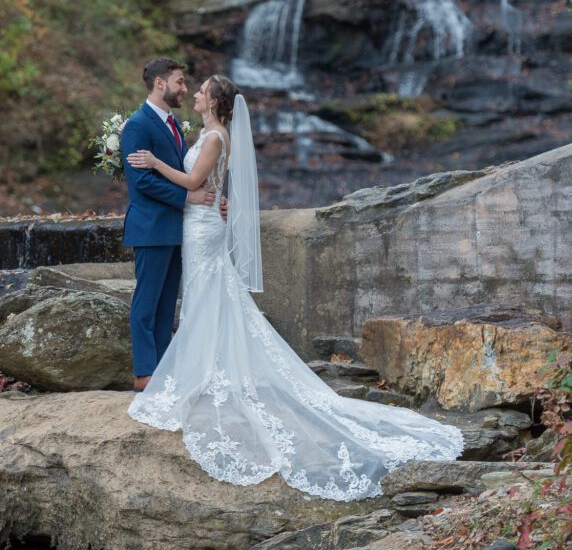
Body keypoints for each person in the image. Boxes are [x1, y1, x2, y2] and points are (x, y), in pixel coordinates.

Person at [126, 75, 464, 501]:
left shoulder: (214, 136)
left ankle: (207, 375)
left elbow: (195, 183)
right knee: (209, 296)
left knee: (208, 295)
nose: (193, 92)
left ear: (214, 100)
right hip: (199, 224)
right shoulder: (211, 133)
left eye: (201, 89)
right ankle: (209, 372)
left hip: (203, 228)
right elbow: (206, 184)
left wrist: (156, 164)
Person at [120, 58, 217, 391]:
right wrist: (186, 198)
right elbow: (141, 182)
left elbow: (189, 174)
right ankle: (144, 373)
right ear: (160, 84)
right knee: (146, 302)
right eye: (179, 82)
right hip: (151, 227)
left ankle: (161, 369)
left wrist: (213, 199)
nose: (184, 89)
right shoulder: (138, 125)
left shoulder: (173, 123)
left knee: (165, 305)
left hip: (176, 228)